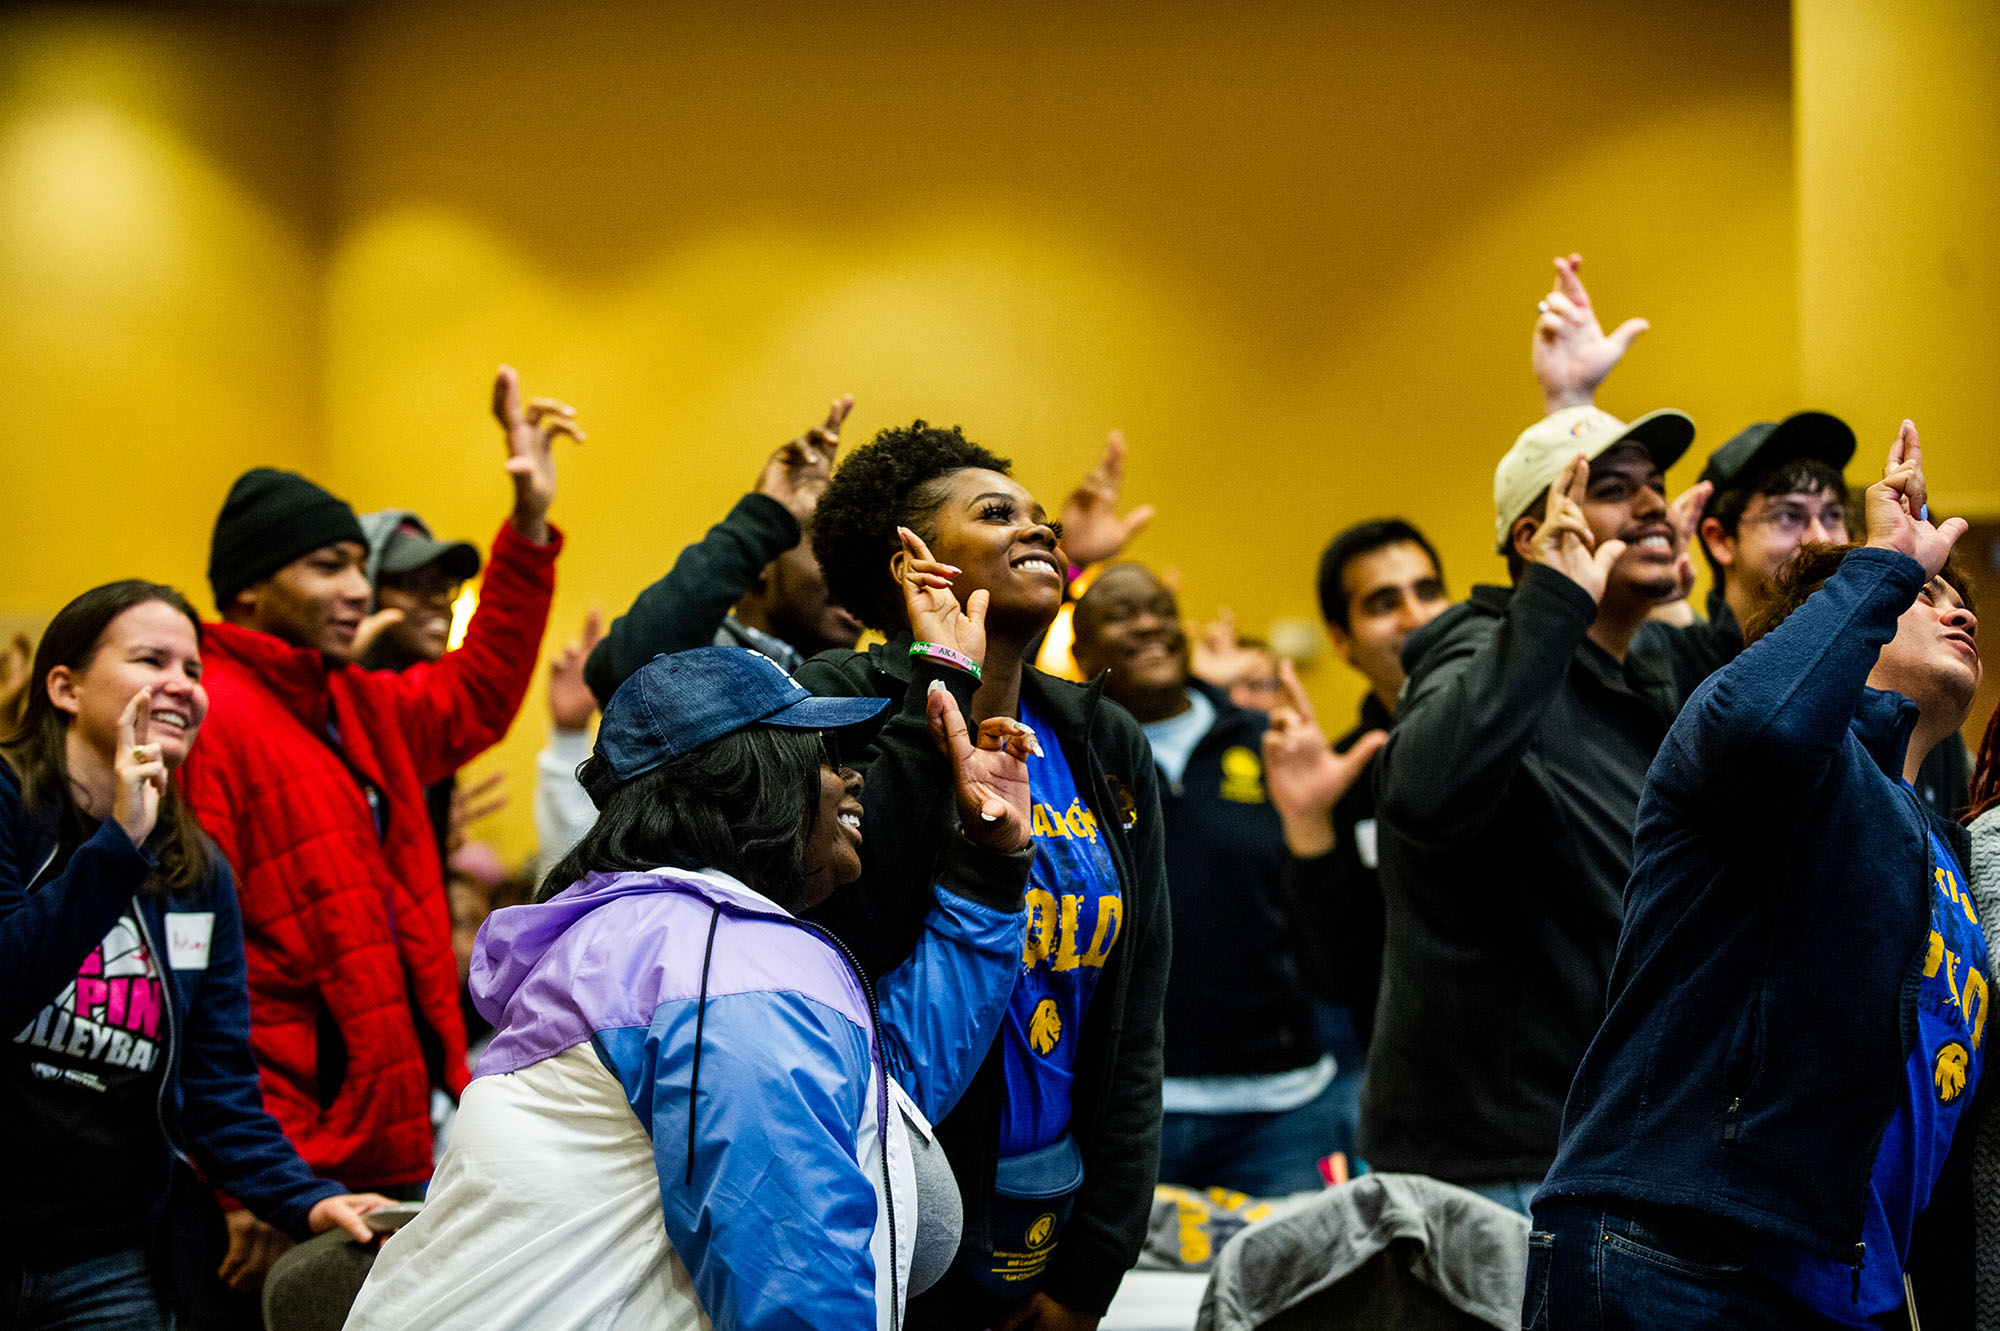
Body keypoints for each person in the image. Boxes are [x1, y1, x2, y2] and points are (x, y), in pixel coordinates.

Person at [345, 644, 1036, 1330]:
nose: (852, 778)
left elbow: (884, 1096)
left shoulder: (666, 946)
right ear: (743, 775)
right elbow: (798, 1282)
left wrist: (990, 868)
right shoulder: (718, 962)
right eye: (823, 754)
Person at [1529, 423, 1988, 1328]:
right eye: (1923, 591)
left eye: (1952, 594)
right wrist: (1879, 564)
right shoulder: (1746, 743)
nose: (1956, 608)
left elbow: (1938, 1128)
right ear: (1840, 628)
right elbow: (1768, 724)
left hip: (1847, 1290)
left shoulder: (1944, 848)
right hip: (1677, 1252)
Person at [173, 367, 573, 1294]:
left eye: (358, 563)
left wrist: (526, 528)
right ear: (247, 591)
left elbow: (478, 689)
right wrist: (243, 1180)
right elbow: (190, 965)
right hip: (288, 1159)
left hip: (387, 1133)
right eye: (327, 566)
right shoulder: (212, 716)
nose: (358, 587)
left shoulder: (353, 701)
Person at [799, 421, 1170, 1330]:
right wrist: (945, 680)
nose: (1038, 530)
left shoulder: (1102, 739)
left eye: (1041, 518)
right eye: (999, 513)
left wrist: (1091, 1273)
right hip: (886, 1205)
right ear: (910, 562)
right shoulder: (830, 705)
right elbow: (858, 922)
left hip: (1051, 1210)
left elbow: (1135, 1018)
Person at [0, 581, 392, 1329]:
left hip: (110, 1260)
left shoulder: (194, 867)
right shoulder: (7, 802)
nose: (182, 685)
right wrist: (118, 846)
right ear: (64, 686)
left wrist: (302, 1194)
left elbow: (217, 1082)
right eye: (152, 659)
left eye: (194, 669)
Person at [1366, 386, 1703, 1212]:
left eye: (1654, 484)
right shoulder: (1474, 649)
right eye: (1616, 489)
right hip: (1498, 1160)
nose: (1654, 504)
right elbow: (1423, 793)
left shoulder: (1636, 671)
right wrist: (1555, 596)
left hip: (1612, 1132)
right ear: (1536, 536)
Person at [1537, 252, 1977, 822]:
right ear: (1719, 540)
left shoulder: (1907, 675)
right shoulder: (1666, 663)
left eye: (1832, 515)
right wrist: (1570, 407)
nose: (1819, 536)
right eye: (1788, 517)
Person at [1069, 563, 1372, 1196]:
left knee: (1295, 1292)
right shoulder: (1065, 759)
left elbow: (1337, 928)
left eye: (1160, 607)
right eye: (1121, 615)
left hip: (1285, 1107)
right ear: (1080, 651)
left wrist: (1314, 819)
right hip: (1126, 1110)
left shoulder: (1271, 744)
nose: (1149, 623)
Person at [584, 397, 862, 701]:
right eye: (834, 553)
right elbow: (626, 671)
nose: (860, 582)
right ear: (766, 559)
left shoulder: (859, 695)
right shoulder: (700, 660)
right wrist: (764, 517)